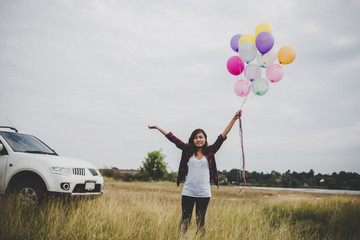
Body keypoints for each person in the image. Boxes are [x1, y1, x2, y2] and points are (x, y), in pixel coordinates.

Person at [148, 109, 242, 233]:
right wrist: (157, 127)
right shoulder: (187, 150)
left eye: (201, 137)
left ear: (205, 139)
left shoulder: (210, 151)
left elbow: (222, 136)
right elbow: (172, 138)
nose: (198, 139)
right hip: (188, 191)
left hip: (204, 193)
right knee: (185, 221)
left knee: (200, 222)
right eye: (196, 137)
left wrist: (234, 118)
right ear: (192, 139)